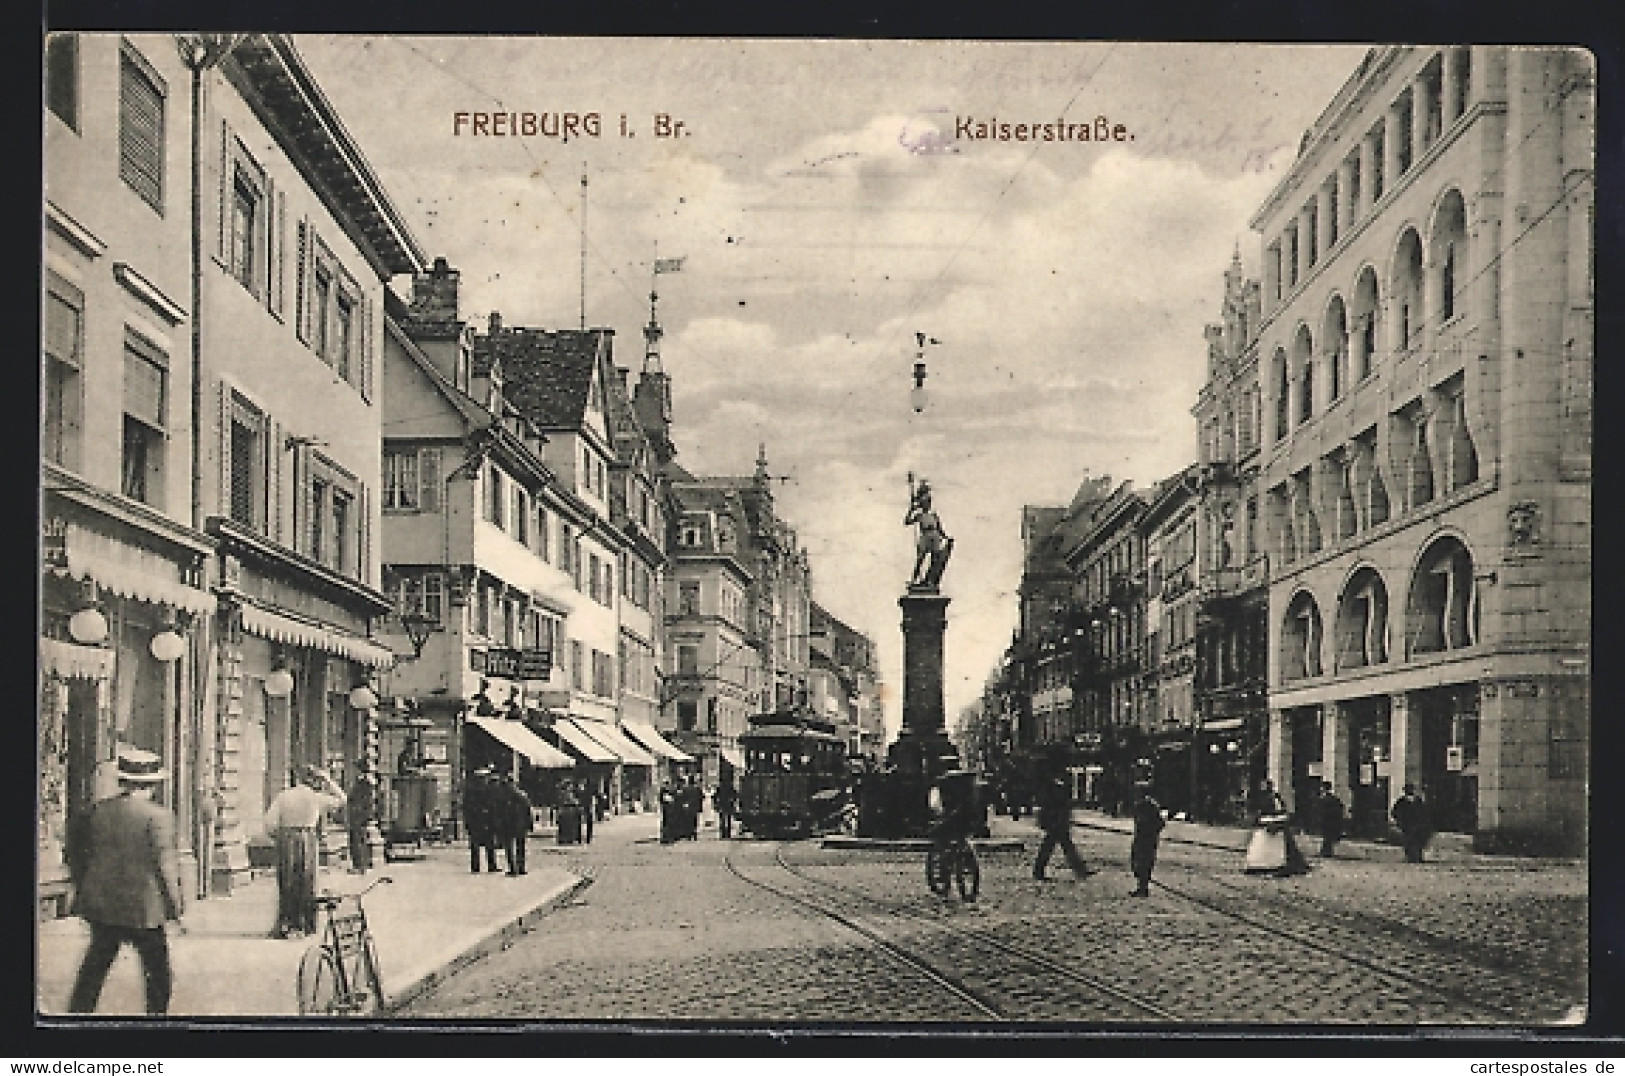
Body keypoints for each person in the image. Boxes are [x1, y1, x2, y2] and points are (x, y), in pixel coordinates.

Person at [65, 746, 186, 1015]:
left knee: (95, 965)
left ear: (123, 781)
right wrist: (176, 908)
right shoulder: (160, 817)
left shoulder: (97, 812)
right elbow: (166, 866)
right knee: (157, 971)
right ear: (153, 784)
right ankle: (156, 1020)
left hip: (103, 905)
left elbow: (79, 855)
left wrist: (84, 889)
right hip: (144, 908)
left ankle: (77, 1015)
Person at [263, 765, 344, 937]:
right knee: (307, 881)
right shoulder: (315, 797)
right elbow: (342, 800)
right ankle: (306, 925)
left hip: (286, 839)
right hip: (307, 838)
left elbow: (269, 823)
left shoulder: (284, 796)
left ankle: (286, 923)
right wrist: (329, 780)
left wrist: (278, 837)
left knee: (287, 881)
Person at [1032, 771, 1092, 880]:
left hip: (1057, 821)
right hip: (1055, 821)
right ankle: (1080, 870)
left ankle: (1080, 870)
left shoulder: (1053, 785)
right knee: (1056, 846)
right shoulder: (1051, 786)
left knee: (1061, 846)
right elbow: (1052, 805)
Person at [1129, 784, 1165, 897]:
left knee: (1145, 863)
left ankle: (1143, 888)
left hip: (1148, 839)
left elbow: (1160, 823)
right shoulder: (1138, 805)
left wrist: (1151, 831)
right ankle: (1141, 887)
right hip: (1140, 837)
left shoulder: (1151, 806)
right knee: (1136, 862)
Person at [495, 774, 532, 876]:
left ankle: (513, 868)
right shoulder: (522, 796)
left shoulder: (503, 797)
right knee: (520, 847)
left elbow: (500, 812)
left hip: (509, 825)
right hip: (520, 825)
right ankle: (520, 867)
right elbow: (528, 811)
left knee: (510, 847)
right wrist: (529, 824)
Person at [464, 768, 500, 871]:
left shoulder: (470, 790)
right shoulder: (487, 790)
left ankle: (475, 867)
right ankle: (491, 866)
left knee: (475, 845)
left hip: (474, 822)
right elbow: (492, 806)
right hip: (485, 821)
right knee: (489, 844)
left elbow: (466, 807)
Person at [346, 764, 376, 874]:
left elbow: (361, 800)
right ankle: (363, 864)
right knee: (361, 838)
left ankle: (359, 865)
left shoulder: (363, 783)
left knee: (357, 839)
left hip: (358, 815)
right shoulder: (368, 783)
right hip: (361, 814)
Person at [1392, 783, 1432, 863]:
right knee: (1410, 841)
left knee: (1416, 841)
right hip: (1408, 825)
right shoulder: (1402, 802)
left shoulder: (1417, 801)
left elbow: (1424, 813)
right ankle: (1412, 857)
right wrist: (1400, 822)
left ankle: (1416, 856)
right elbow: (1395, 812)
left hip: (1417, 825)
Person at [1316, 781, 1346, 858]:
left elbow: (1322, 810)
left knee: (1327, 836)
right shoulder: (1334, 799)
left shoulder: (1327, 799)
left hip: (1328, 821)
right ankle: (1326, 851)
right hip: (1331, 821)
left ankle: (1326, 852)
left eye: (1322, 787)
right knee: (1328, 837)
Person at [657, 780, 676, 844]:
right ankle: (665, 837)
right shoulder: (664, 791)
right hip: (666, 809)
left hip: (669, 809)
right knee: (666, 823)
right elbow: (661, 800)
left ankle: (668, 837)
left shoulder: (671, 791)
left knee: (668, 823)